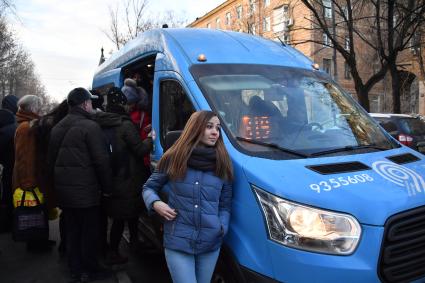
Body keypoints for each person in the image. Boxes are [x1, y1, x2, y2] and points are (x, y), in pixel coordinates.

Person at [143, 110, 233, 283]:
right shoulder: (173, 157)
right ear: (195, 128)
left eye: (218, 127)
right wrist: (155, 203)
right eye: (209, 127)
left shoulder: (223, 162)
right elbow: (149, 188)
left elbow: (225, 205)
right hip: (178, 240)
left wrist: (222, 228)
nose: (215, 132)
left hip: (210, 242)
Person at [48, 88, 113, 282]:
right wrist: (108, 188)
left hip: (65, 193)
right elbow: (102, 161)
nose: (92, 105)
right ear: (85, 104)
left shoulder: (57, 127)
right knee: (89, 233)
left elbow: (50, 162)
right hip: (86, 192)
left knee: (72, 232)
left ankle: (75, 269)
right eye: (90, 102)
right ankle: (90, 269)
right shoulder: (90, 127)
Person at [94, 87, 153, 265]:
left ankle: (133, 243)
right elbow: (140, 149)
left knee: (125, 214)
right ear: (121, 103)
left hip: (111, 176)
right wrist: (150, 137)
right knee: (122, 218)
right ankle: (113, 252)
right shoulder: (125, 124)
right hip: (127, 178)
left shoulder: (101, 122)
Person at [32, 100, 69, 255]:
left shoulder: (41, 123)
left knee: (45, 208)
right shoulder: (59, 126)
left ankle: (43, 241)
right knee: (66, 211)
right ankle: (63, 244)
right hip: (54, 173)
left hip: (43, 172)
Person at [0, 108, 16, 232]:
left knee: (6, 196)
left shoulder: (4, 132)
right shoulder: (17, 127)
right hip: (16, 167)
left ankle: (6, 224)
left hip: (8, 168)